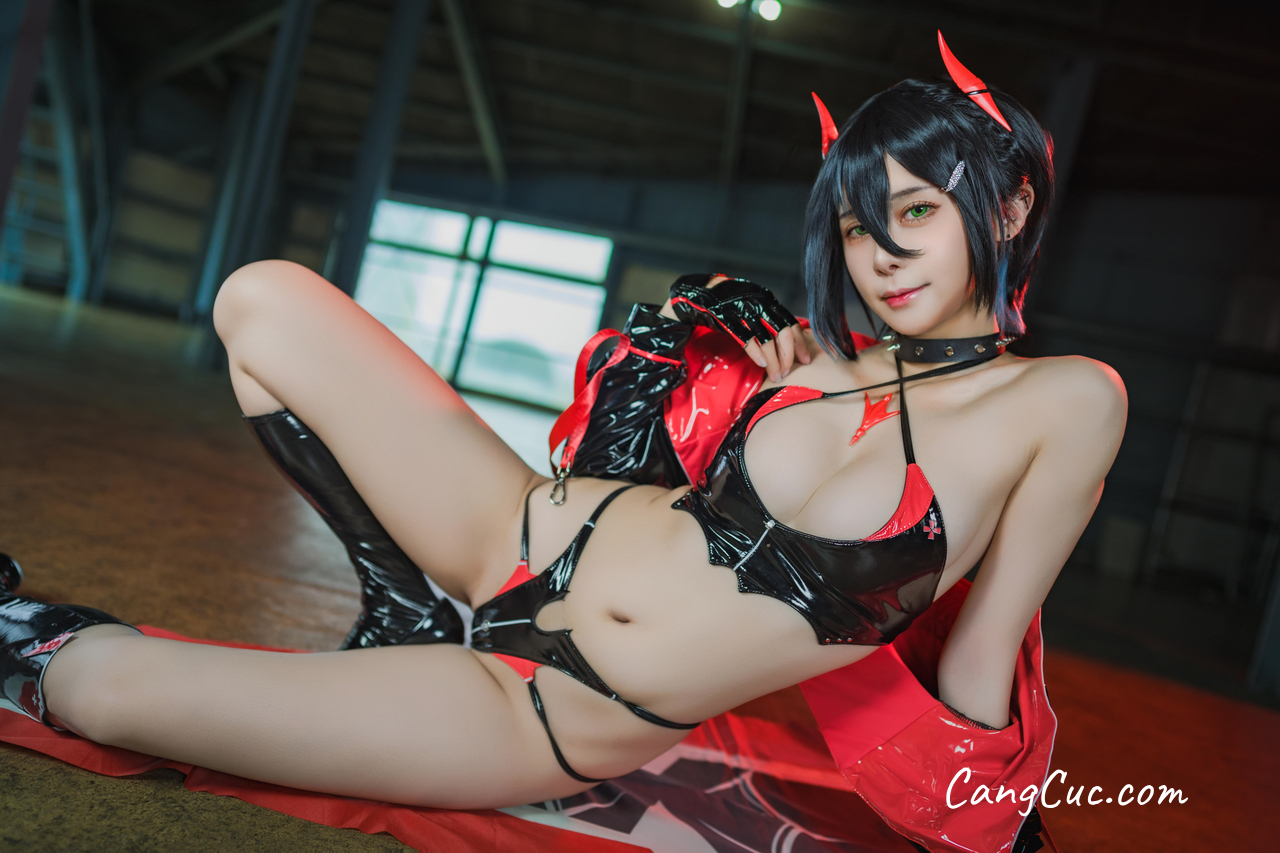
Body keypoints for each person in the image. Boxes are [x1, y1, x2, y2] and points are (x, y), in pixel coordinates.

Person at [1, 33, 1124, 848]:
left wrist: (995, 825)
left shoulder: (1068, 402)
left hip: (550, 704)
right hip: (515, 526)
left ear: (1011, 206)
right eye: (855, 226)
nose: (881, 255)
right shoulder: (814, 358)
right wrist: (737, 380)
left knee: (101, 694)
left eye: (916, 212)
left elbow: (982, 658)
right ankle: (400, 608)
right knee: (263, 299)